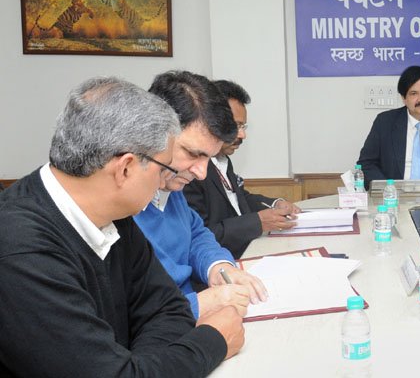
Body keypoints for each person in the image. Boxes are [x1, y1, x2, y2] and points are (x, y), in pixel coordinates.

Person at [0, 77, 242, 376]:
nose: (162, 183)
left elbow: (166, 308)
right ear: (125, 168)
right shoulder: (21, 250)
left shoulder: (115, 214)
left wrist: (141, 368)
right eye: (163, 168)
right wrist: (212, 341)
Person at [134, 71, 268, 319]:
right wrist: (199, 306)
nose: (202, 173)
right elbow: (135, 314)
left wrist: (219, 267)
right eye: (193, 154)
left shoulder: (171, 185)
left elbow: (195, 234)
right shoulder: (120, 206)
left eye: (208, 157)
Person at [185, 79, 301, 258]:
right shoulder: (189, 172)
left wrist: (275, 203)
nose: (242, 135)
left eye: (243, 126)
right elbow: (200, 236)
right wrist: (258, 222)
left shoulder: (223, 160)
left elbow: (238, 198)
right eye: (235, 126)